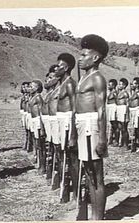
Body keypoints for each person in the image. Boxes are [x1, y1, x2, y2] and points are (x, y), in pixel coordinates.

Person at [75, 34, 109, 220]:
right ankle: (94, 214)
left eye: (84, 55)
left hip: (92, 126)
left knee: (97, 175)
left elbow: (102, 111)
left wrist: (103, 139)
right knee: (88, 173)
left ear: (95, 58)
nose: (80, 58)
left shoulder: (97, 79)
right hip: (82, 125)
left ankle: (99, 218)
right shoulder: (83, 78)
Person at [55, 52, 78, 203]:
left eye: (59, 66)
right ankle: (66, 186)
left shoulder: (70, 83)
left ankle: (76, 191)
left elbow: (76, 107)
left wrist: (73, 134)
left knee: (71, 157)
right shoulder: (61, 83)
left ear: (67, 67)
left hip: (68, 120)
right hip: (60, 119)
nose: (56, 68)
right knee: (61, 154)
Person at [41, 65, 58, 182]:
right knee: (50, 144)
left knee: (56, 146)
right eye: (47, 79)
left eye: (50, 78)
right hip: (49, 119)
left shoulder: (58, 91)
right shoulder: (48, 93)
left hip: (56, 120)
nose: (47, 81)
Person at [28, 79, 45, 173]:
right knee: (37, 144)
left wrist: (42, 127)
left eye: (32, 87)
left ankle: (43, 166)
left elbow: (41, 112)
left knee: (40, 144)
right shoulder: (33, 97)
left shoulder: (38, 98)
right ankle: (39, 163)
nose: (30, 88)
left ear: (37, 88)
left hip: (38, 120)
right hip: (34, 120)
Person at [128, 77, 139, 152]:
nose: (131, 85)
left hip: (137, 111)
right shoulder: (132, 93)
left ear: (137, 85)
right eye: (131, 84)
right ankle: (133, 145)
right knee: (133, 130)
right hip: (132, 111)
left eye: (133, 84)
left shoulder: (138, 93)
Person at [116, 78, 130, 149]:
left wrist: (127, 114)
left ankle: (126, 144)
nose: (119, 85)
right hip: (119, 109)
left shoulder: (125, 93)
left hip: (123, 109)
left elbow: (127, 104)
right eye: (119, 84)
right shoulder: (119, 92)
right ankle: (121, 142)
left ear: (124, 86)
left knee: (124, 128)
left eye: (121, 84)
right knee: (120, 127)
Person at [106, 79, 118, 146]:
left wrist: (116, 110)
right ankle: (110, 139)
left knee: (114, 124)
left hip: (113, 107)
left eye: (109, 85)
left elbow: (117, 101)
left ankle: (116, 140)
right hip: (109, 107)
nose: (108, 86)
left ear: (113, 86)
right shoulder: (110, 92)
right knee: (111, 124)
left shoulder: (114, 92)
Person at [20, 82, 31, 150]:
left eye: (26, 87)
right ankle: (27, 143)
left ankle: (28, 145)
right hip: (24, 113)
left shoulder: (29, 96)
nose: (24, 89)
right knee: (26, 130)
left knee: (29, 130)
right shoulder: (23, 95)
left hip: (28, 113)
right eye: (23, 87)